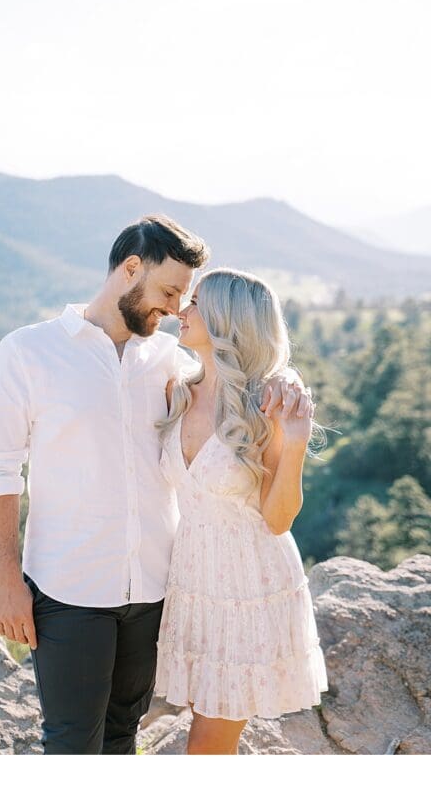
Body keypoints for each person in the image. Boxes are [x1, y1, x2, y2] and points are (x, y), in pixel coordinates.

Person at [0, 215, 301, 754]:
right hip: (67, 587)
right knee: (72, 743)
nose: (176, 310)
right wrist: (7, 581)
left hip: (155, 589)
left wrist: (285, 379)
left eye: (184, 299)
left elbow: (244, 367)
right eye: (170, 291)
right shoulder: (27, 352)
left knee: (123, 736)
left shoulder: (172, 361)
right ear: (131, 269)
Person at [153, 268, 328, 753]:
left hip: (250, 586)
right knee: (208, 732)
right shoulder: (177, 391)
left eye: (196, 304)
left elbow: (278, 520)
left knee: (207, 743)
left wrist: (293, 448)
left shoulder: (268, 404)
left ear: (227, 320)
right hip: (193, 581)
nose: (181, 312)